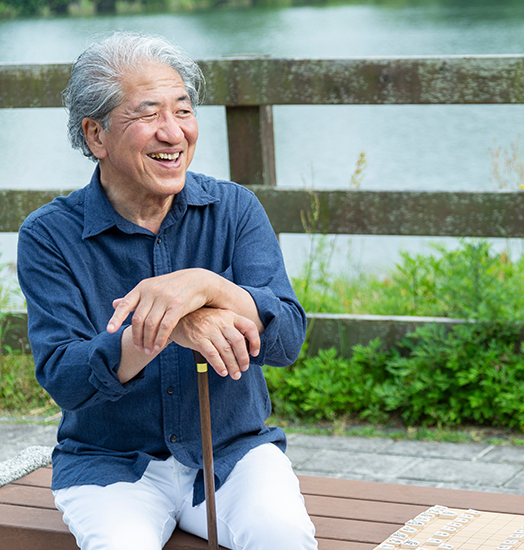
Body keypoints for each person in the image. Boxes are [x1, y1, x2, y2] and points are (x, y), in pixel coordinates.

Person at [17, 31, 317, 550]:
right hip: (110, 464)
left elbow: (286, 337)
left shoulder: (235, 209)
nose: (172, 132)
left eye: (183, 110)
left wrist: (205, 285)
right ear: (96, 136)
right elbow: (64, 377)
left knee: (283, 537)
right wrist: (166, 327)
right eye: (148, 114)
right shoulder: (49, 235)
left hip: (233, 452)